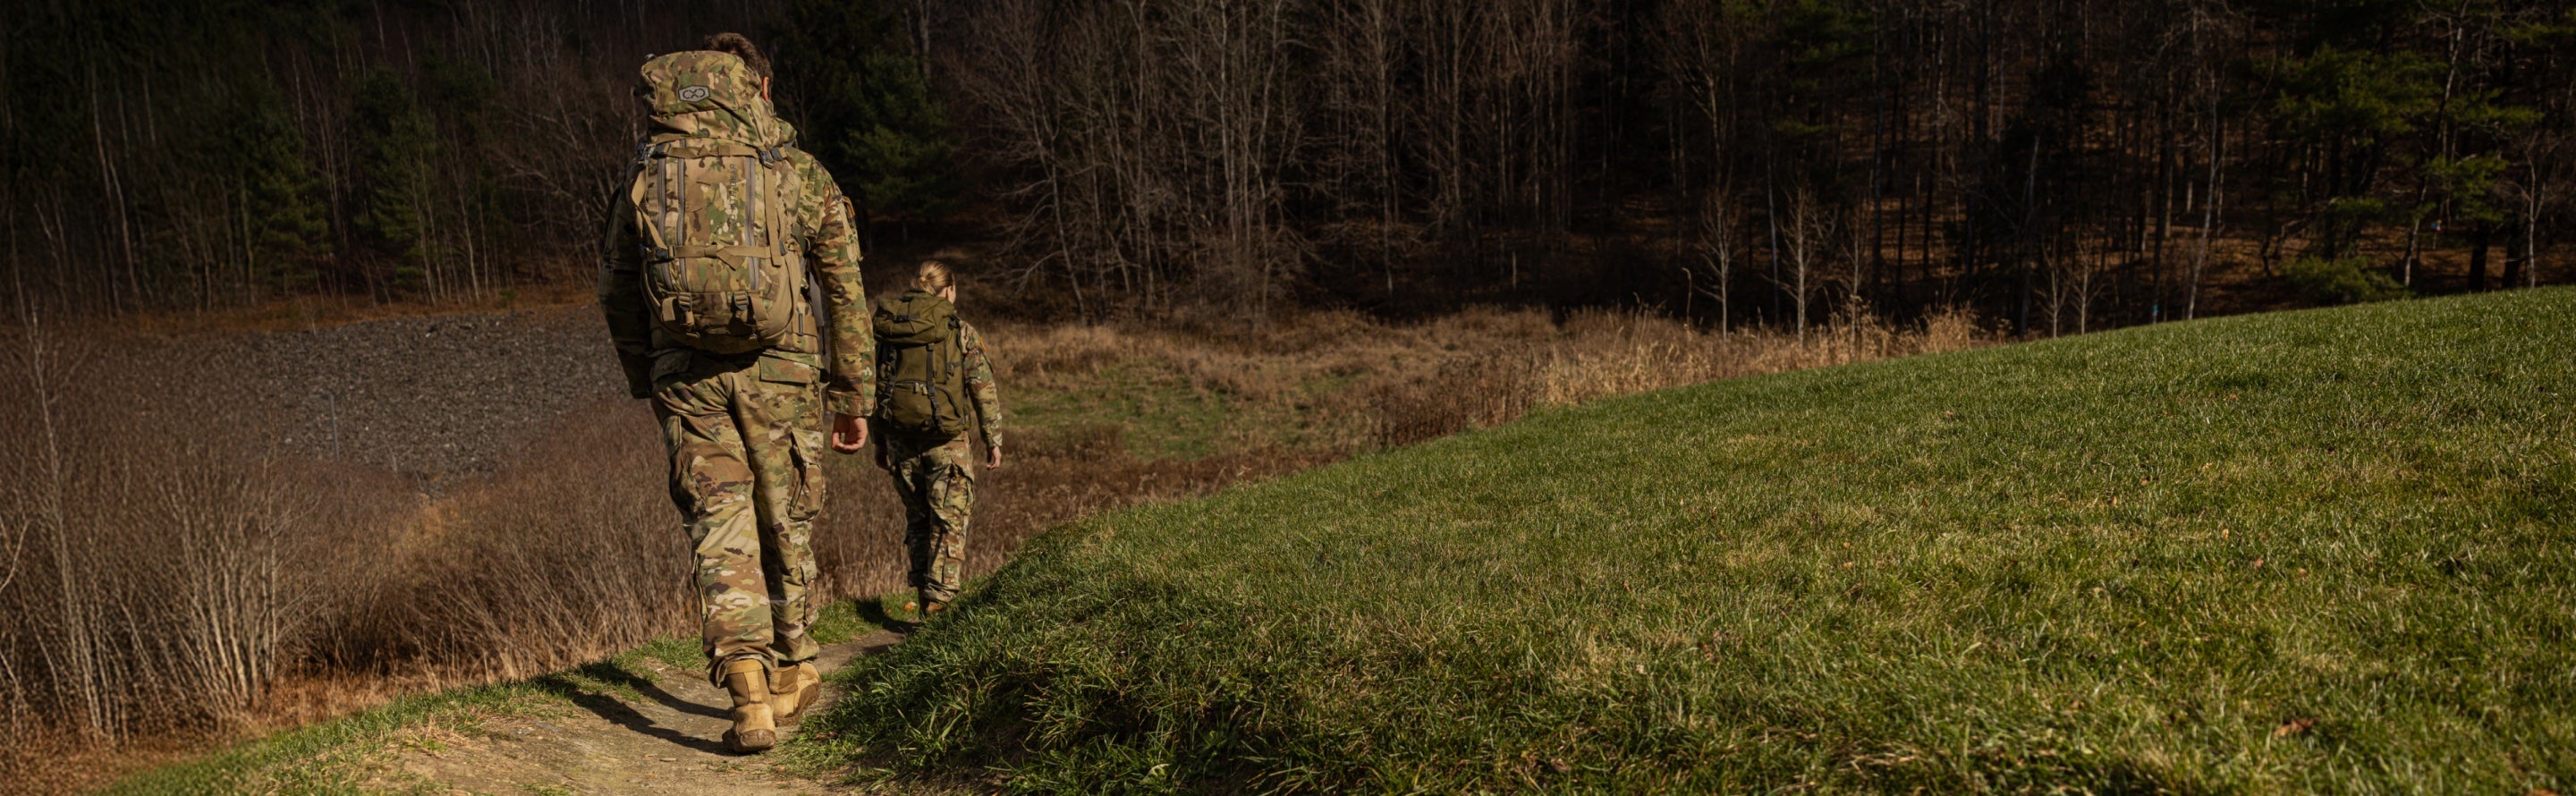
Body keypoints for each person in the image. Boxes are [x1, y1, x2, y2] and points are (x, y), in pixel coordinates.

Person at [598, 32, 873, 754]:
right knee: (786, 515)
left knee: (720, 524)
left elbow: (617, 288)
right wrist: (853, 392)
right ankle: (797, 666)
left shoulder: (647, 170)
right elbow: (845, 288)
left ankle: (747, 692)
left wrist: (644, 377)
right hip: (783, 370)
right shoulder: (799, 174)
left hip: (685, 375)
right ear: (761, 89)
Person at [869, 261, 1004, 618]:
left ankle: (921, 593)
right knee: (949, 520)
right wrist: (993, 438)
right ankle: (939, 603)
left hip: (899, 439)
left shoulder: (890, 331)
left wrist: (879, 442)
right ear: (950, 290)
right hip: (948, 442)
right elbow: (983, 390)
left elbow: (876, 387)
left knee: (918, 519)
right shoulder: (959, 331)